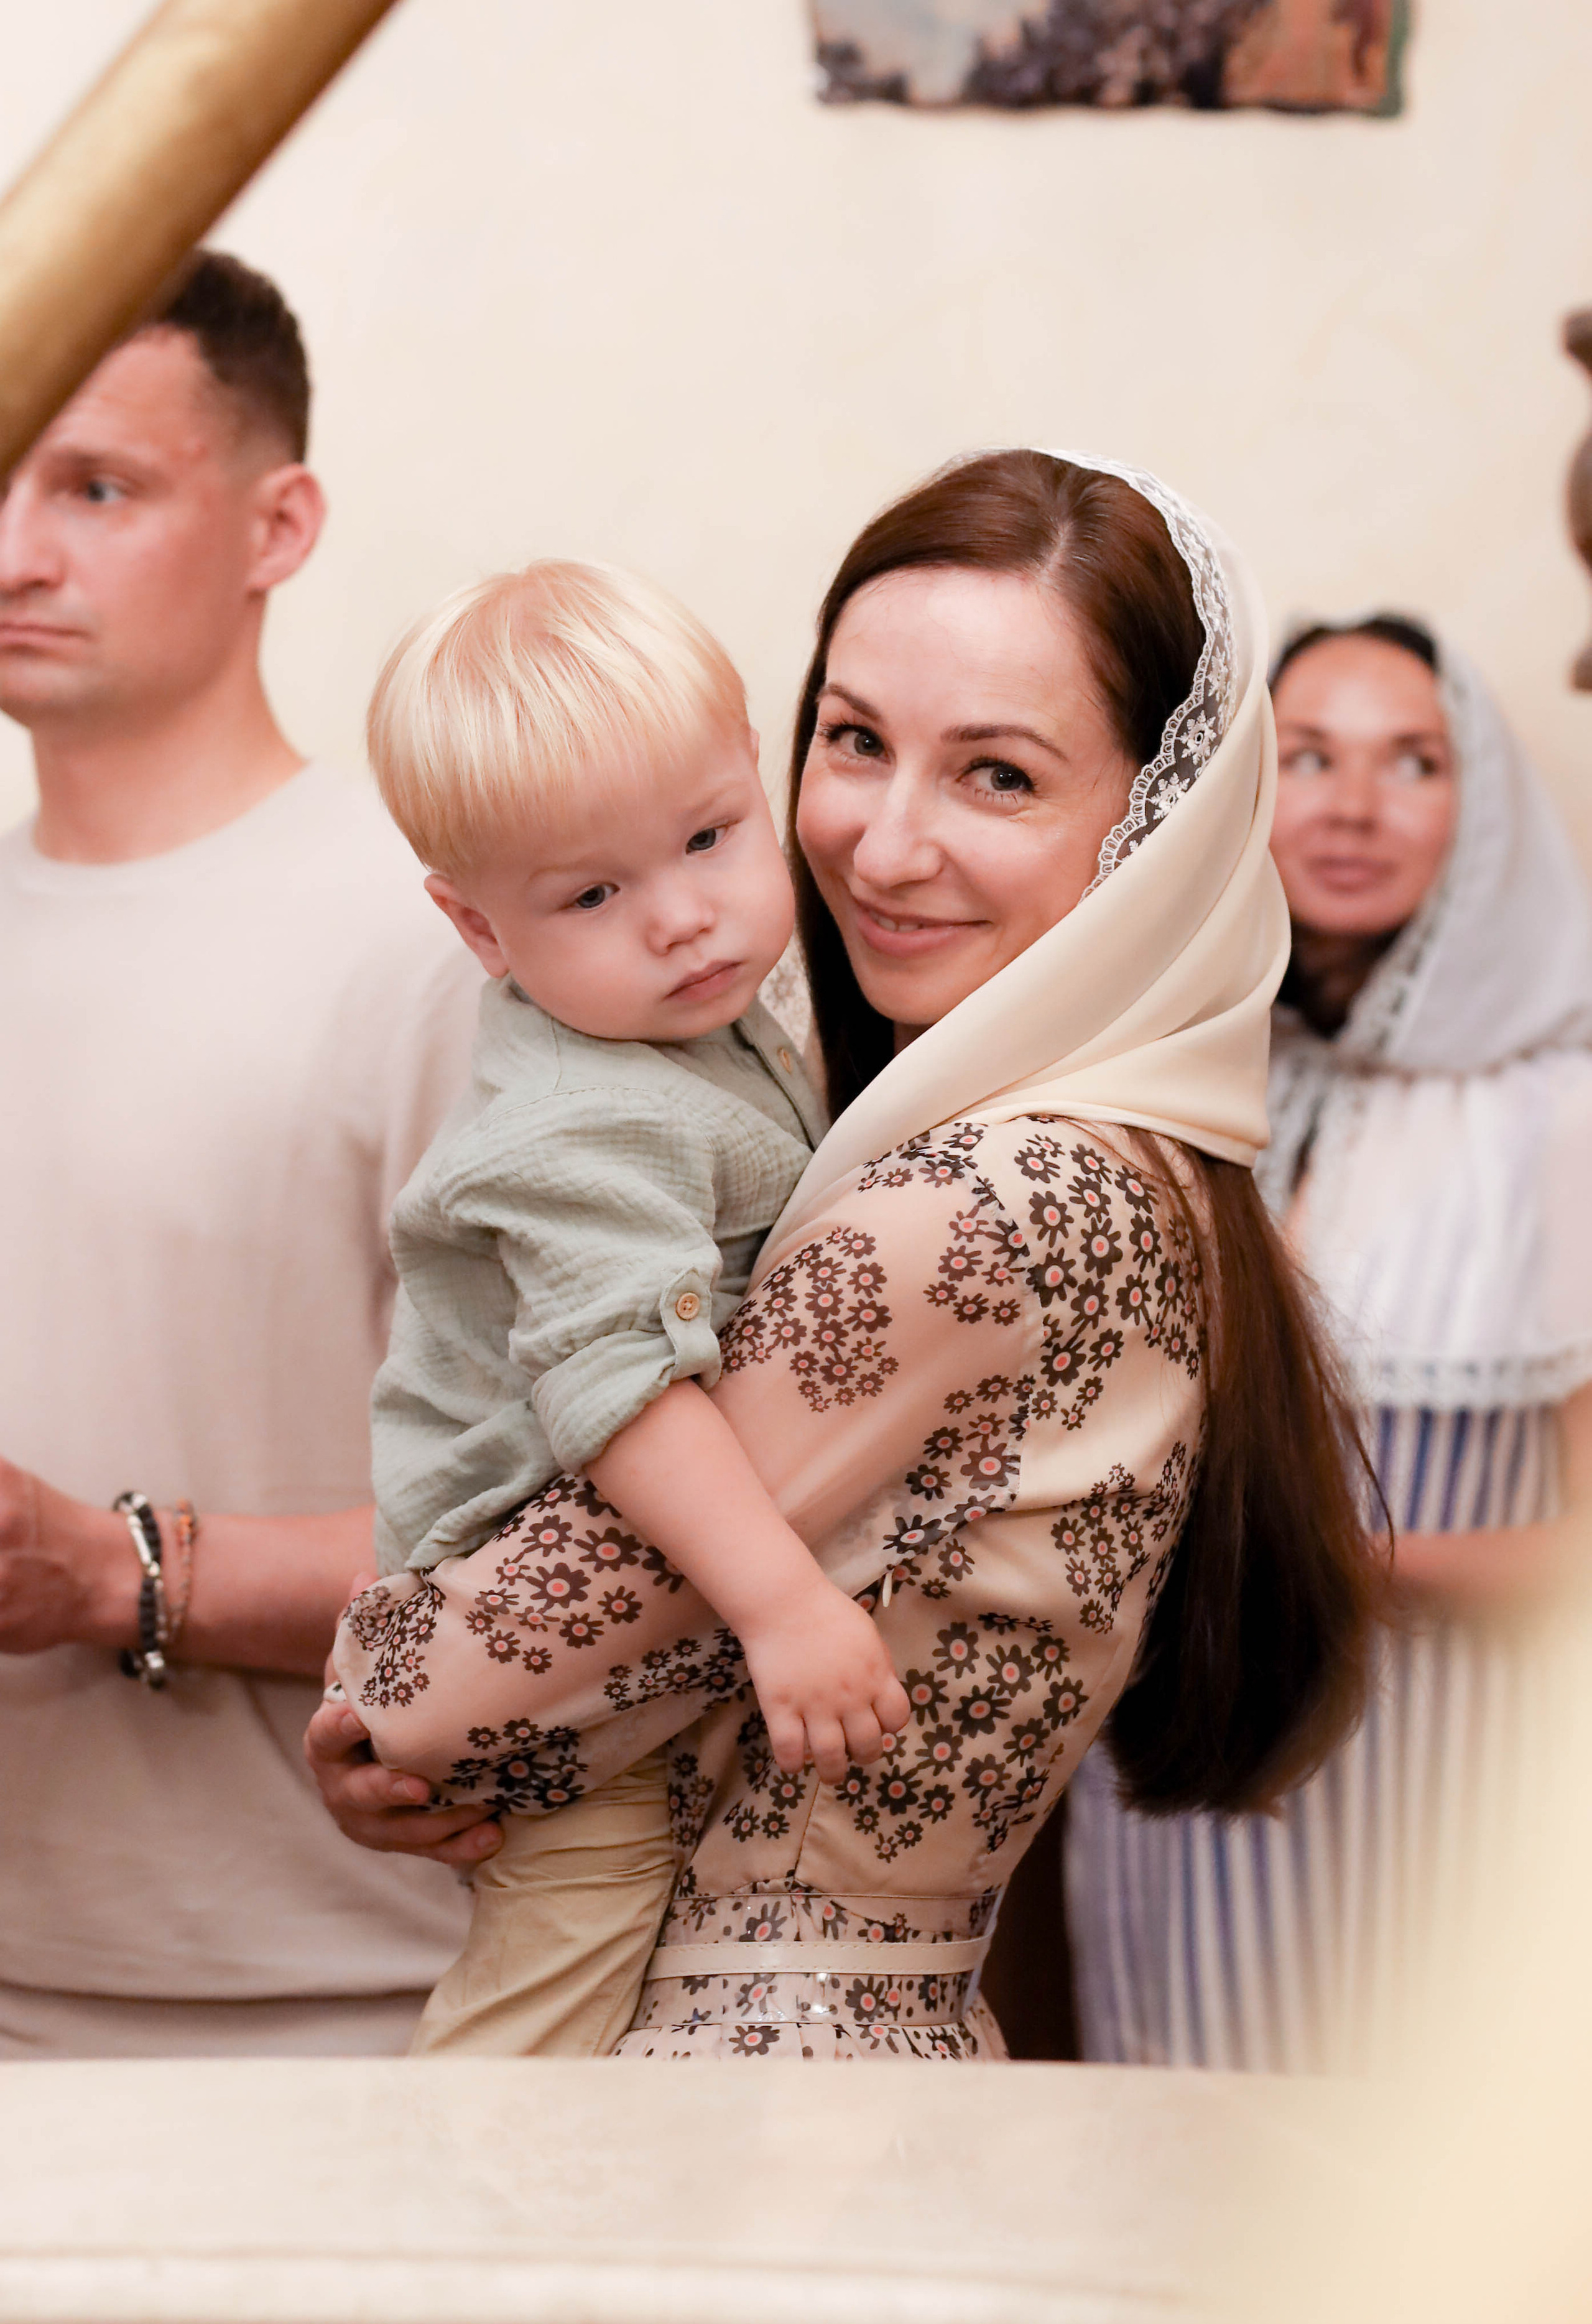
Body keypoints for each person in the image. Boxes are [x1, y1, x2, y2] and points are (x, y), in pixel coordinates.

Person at [309, 448, 1376, 2059]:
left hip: (742, 2100)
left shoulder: (976, 1207)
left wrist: (373, 1699)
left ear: (1156, 829)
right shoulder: (1096, 1143)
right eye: (857, 740)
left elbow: (444, 1701)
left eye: (998, 776)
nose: (880, 848)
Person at [0, 250, 481, 2056]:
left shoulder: (443, 934)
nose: (18, 551)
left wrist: (119, 1568)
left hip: (334, 2004)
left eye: (96, 487)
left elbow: (609, 1526)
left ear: (281, 525)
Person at [333, 558, 902, 2056]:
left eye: (712, 837)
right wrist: (782, 1608)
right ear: (478, 930)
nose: (682, 919)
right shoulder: (575, 1123)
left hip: (643, 1586)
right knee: (553, 2000)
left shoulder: (694, 1021)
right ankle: (444, 2271)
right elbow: (620, 1397)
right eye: (592, 893)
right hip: (516, 1603)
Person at [1064, 615, 1592, 2072]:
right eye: (1305, 758)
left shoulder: (1558, 1113)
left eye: (1411, 762)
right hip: (1175, 1796)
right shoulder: (1178, 1087)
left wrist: (1326, 1564)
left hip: (1438, 1800)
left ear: (1476, 816)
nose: (1353, 806)